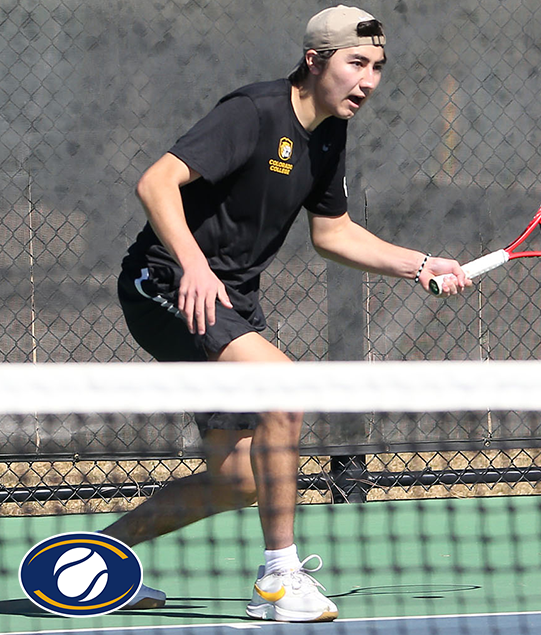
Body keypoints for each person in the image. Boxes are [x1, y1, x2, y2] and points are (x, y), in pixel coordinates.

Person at [103, 5, 470, 623]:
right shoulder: (252, 113)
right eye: (357, 63)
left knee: (239, 481)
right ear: (314, 60)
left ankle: (92, 562)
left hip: (229, 300)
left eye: (378, 66)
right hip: (165, 282)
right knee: (286, 391)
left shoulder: (329, 134)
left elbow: (333, 233)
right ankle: (278, 578)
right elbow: (155, 183)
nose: (370, 81)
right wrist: (192, 264)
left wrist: (421, 262)